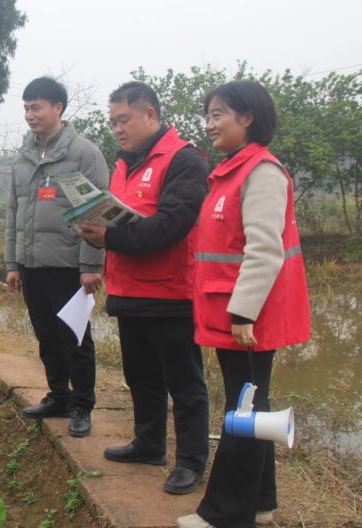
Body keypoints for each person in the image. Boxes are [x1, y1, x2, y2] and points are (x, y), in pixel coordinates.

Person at [177, 81, 311, 528]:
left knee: (243, 412)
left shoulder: (262, 173)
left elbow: (264, 249)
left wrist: (243, 312)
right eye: (209, 114)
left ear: (247, 117)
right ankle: (260, 503)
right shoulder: (231, 172)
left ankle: (225, 516)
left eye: (219, 114)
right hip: (234, 315)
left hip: (248, 319)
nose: (210, 124)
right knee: (253, 408)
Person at [77, 81, 210, 494]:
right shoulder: (123, 164)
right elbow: (123, 222)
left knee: (185, 384)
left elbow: (171, 226)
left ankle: (190, 462)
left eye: (124, 119)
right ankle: (149, 443)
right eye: (112, 121)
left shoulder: (184, 160)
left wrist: (107, 238)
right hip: (130, 291)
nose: (117, 128)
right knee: (141, 377)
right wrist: (91, 229)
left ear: (150, 115)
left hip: (172, 294)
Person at [5, 76, 109, 438]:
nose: (29, 115)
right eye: (26, 108)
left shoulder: (82, 153)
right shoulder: (23, 156)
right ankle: (58, 396)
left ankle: (82, 404)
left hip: (68, 265)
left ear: (58, 108)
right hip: (32, 263)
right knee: (47, 334)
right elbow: (14, 212)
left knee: (75, 336)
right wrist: (13, 263)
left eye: (36, 107)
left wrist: (90, 265)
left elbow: (95, 212)